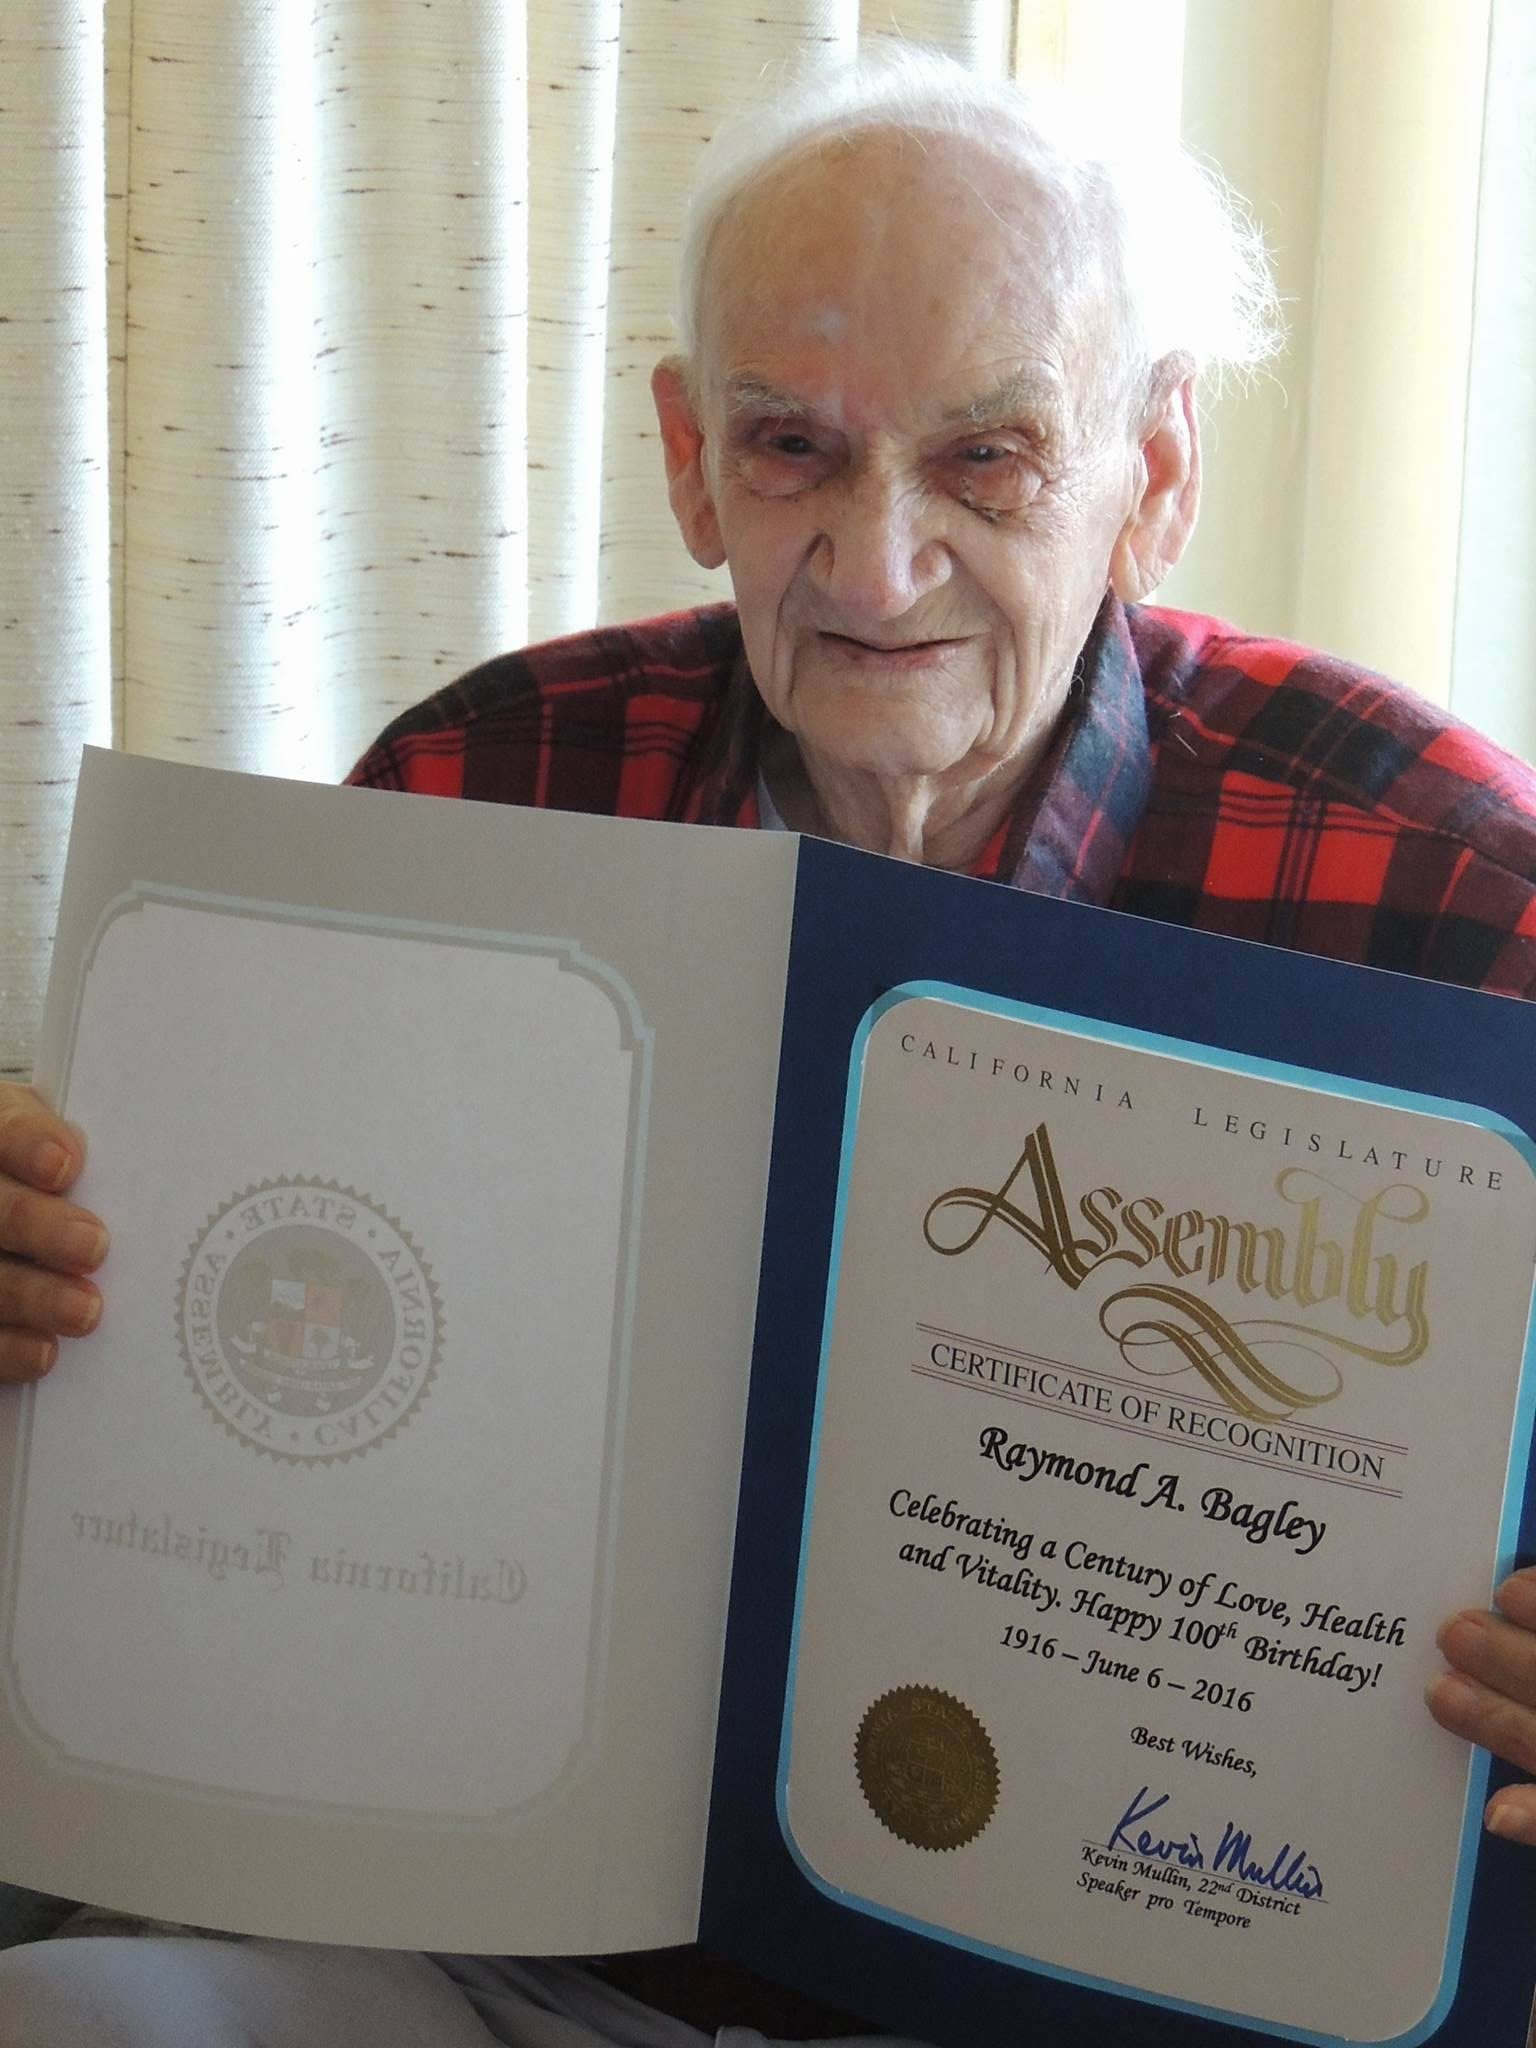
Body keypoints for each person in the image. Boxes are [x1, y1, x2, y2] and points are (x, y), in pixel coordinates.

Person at [2, 42, 1536, 2048]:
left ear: (1155, 473)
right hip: (496, 1942)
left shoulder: (1452, 887)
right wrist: (51, 1304)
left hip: (1117, 1989)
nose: (877, 562)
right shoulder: (476, 785)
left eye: (988, 456)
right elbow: (236, 1345)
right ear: (686, 458)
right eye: (794, 448)